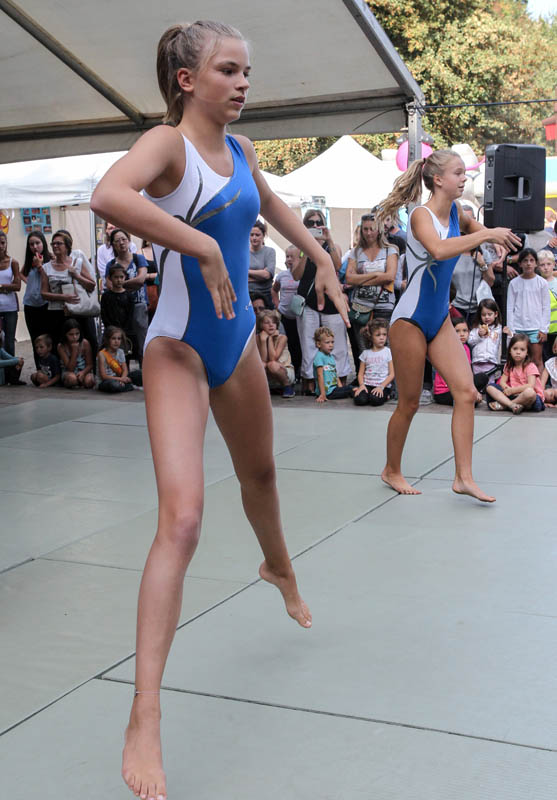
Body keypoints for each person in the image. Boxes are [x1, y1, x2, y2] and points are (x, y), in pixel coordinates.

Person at [90, 20, 348, 800]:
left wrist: (320, 254)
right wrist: (199, 246)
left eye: (245, 72)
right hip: (176, 344)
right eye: (228, 70)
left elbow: (268, 205)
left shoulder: (241, 151)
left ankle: (277, 565)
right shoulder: (164, 144)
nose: (243, 83)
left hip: (235, 340)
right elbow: (108, 196)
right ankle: (144, 713)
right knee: (184, 520)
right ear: (187, 80)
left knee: (260, 475)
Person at [377, 149, 521, 501]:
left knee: (467, 392)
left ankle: (463, 478)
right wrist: (486, 236)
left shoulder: (456, 211)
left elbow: (474, 229)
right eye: (458, 173)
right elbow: (440, 250)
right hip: (410, 321)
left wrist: (496, 239)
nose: (463, 178)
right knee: (410, 403)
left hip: (439, 318)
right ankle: (391, 470)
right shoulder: (420, 215)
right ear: (438, 179)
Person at [292, 209, 349, 394]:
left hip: (331, 301)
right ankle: (310, 381)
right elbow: (296, 275)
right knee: (309, 343)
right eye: (311, 223)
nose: (315, 226)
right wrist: (305, 250)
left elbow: (338, 266)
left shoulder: (333, 246)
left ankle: (340, 379)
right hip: (308, 302)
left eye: (319, 222)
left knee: (336, 343)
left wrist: (328, 240)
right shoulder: (299, 248)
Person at [345, 213, 398, 353]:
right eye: (365, 229)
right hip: (361, 306)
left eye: (372, 229)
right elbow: (349, 278)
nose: (369, 233)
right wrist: (375, 275)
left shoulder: (390, 250)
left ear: (379, 229)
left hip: (384, 305)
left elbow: (390, 276)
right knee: (364, 348)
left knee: (384, 348)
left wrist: (360, 280)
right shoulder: (356, 252)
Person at [41, 231, 94, 348]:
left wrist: (77, 276)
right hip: (56, 313)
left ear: (67, 246)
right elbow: (43, 293)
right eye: (53, 244)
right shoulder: (46, 267)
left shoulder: (77, 263)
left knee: (82, 344)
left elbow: (91, 285)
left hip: (77, 311)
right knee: (59, 345)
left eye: (59, 243)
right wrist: (64, 297)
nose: (55, 246)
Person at [106, 228, 149, 364]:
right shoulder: (111, 264)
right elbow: (110, 286)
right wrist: (132, 284)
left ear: (129, 241)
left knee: (141, 340)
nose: (121, 243)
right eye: (117, 241)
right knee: (120, 341)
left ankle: (144, 369)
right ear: (113, 245)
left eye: (124, 239)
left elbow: (141, 279)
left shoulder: (138, 259)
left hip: (138, 304)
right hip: (119, 308)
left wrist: (120, 284)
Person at [506, 248, 550, 375]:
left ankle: (539, 386)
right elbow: (510, 307)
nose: (528, 264)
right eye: (525, 261)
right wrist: (511, 330)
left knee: (537, 361)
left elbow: (546, 307)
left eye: (531, 260)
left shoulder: (542, 283)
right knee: (518, 360)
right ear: (520, 264)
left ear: (536, 263)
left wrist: (544, 329)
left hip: (536, 328)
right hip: (518, 327)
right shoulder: (514, 283)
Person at [450, 206, 496, 323]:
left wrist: (482, 264)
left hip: (478, 308)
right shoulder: (451, 252)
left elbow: (490, 281)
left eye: (469, 220)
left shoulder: (482, 252)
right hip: (456, 307)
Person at [486, 333, 545, 413]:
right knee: (490, 387)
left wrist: (512, 390)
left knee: (530, 392)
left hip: (532, 398)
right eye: (515, 349)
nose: (518, 352)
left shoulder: (530, 366)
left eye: (522, 350)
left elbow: (530, 385)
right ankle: (512, 405)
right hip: (514, 395)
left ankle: (505, 405)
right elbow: (502, 381)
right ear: (510, 350)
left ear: (527, 352)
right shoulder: (509, 365)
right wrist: (507, 388)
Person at [433, 318, 484, 404]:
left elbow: (468, 374)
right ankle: (468, 397)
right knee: (471, 401)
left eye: (465, 331)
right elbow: (456, 376)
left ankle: (468, 397)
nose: (462, 334)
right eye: (457, 331)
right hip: (445, 392)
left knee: (482, 378)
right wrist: (474, 391)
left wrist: (474, 390)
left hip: (460, 387)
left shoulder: (466, 348)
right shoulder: (449, 348)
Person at [21, 231, 52, 367]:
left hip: (45, 304)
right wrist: (30, 283)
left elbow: (50, 278)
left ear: (43, 243)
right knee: (35, 339)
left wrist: (40, 265)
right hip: (30, 305)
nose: (34, 247)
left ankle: (51, 369)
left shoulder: (50, 259)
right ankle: (39, 369)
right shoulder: (30, 261)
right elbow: (21, 273)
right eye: (31, 244)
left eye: (37, 243)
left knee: (47, 338)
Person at [271, 245, 301, 377]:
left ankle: (300, 370)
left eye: (292, 257)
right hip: (285, 315)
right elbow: (274, 290)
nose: (289, 259)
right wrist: (277, 305)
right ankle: (291, 368)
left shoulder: (302, 275)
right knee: (288, 342)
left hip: (299, 315)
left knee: (299, 343)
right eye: (287, 256)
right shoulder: (282, 275)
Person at [352, 319, 394, 406]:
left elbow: (392, 374)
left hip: (383, 386)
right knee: (360, 400)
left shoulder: (388, 352)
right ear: (370, 337)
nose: (382, 337)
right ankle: (356, 391)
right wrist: (362, 385)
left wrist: (381, 387)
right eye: (378, 335)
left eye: (384, 334)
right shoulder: (365, 354)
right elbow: (360, 374)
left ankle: (388, 395)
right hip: (367, 385)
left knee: (375, 400)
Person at [0, 231, 23, 384]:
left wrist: (1, 286)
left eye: (2, 243)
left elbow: (18, 286)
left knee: (9, 341)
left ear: (6, 244)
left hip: (10, 307)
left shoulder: (13, 262)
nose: (0, 246)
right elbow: (12, 286)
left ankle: (12, 376)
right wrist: (7, 287)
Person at [256, 309, 295, 397]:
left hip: (284, 371)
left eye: (274, 322)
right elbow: (263, 360)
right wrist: (263, 341)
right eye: (267, 323)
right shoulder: (257, 338)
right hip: (268, 374)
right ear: (261, 325)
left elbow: (273, 358)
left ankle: (287, 387)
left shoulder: (282, 338)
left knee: (272, 364)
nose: (271, 325)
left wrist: (270, 339)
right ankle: (262, 389)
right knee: (262, 364)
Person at [313, 326, 353, 403]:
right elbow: (320, 375)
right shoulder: (319, 357)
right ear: (318, 344)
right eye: (327, 342)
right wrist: (323, 394)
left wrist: (341, 388)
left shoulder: (330, 356)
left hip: (333, 389)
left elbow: (335, 374)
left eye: (332, 342)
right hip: (327, 392)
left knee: (348, 389)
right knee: (351, 388)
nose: (331, 345)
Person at [467, 299, 504, 381]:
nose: (487, 317)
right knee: (478, 384)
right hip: (477, 362)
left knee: (490, 384)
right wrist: (479, 335)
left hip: (491, 362)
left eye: (489, 314)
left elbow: (506, 344)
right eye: (483, 315)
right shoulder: (476, 329)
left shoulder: (499, 329)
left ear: (496, 314)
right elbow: (470, 341)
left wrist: (509, 334)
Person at [98, 326, 141, 393]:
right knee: (114, 385)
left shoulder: (120, 352)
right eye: (113, 338)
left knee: (140, 374)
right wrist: (121, 379)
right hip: (107, 380)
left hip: (120, 377)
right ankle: (129, 386)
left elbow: (125, 370)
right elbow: (104, 376)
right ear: (107, 340)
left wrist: (122, 378)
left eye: (119, 339)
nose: (116, 341)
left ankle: (125, 385)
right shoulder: (102, 354)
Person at [57, 317, 95, 389]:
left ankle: (80, 382)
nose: (75, 337)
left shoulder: (85, 343)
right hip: (69, 372)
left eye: (77, 334)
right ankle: (76, 382)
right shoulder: (61, 346)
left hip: (83, 371)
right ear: (65, 334)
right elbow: (70, 368)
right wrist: (74, 350)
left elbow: (90, 364)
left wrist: (83, 373)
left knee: (89, 381)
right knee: (72, 379)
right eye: (71, 334)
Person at [101, 263, 136, 340]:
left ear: (125, 277)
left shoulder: (129, 296)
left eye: (121, 277)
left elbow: (130, 316)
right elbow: (104, 315)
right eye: (116, 277)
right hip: (110, 333)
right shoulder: (106, 296)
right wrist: (112, 330)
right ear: (110, 278)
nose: (119, 280)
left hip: (127, 333)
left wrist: (124, 330)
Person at [96, 221, 137, 285]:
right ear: (106, 231)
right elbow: (103, 274)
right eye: (111, 228)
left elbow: (134, 269)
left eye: (116, 227)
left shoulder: (131, 246)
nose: (114, 230)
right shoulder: (102, 250)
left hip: (130, 285)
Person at [248, 219, 276, 306]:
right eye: (251, 235)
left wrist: (247, 272)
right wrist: (260, 276)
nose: (254, 238)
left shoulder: (270, 251)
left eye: (257, 235)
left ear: (263, 236)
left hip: (266, 294)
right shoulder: (243, 252)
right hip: (248, 294)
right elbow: (240, 275)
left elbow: (267, 275)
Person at [537, 249, 557, 360]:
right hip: (540, 331)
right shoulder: (536, 284)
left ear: (554, 264)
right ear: (538, 266)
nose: (546, 267)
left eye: (549, 264)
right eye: (542, 265)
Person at [541, 337, 557, 407]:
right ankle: (542, 403)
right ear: (555, 348)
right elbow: (542, 384)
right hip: (553, 393)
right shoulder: (550, 363)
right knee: (546, 393)